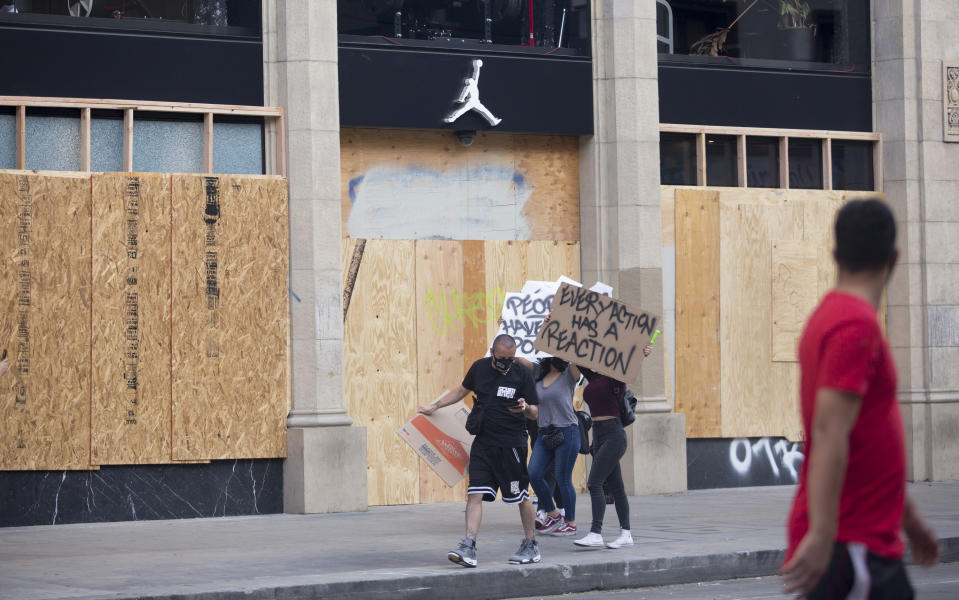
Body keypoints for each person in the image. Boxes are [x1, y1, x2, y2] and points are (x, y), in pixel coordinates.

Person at [781, 198, 939, 598]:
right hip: (851, 541)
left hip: (858, 537)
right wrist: (822, 533)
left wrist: (911, 520)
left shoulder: (833, 316)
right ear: (895, 258)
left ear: (836, 254)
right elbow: (831, 431)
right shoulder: (855, 324)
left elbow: (870, 438)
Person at [418, 334, 541, 567]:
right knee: (475, 494)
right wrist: (435, 406)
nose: (507, 362)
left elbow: (535, 412)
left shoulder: (521, 374)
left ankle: (530, 543)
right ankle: (468, 545)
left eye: (511, 358)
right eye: (503, 358)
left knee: (521, 496)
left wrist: (525, 408)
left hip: (511, 444)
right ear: (492, 352)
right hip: (483, 442)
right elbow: (460, 391)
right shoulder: (480, 368)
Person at [574, 344, 652, 549]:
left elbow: (631, 365)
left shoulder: (614, 378)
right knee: (617, 486)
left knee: (594, 482)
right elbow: (571, 353)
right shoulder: (594, 376)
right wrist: (549, 323)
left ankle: (596, 532)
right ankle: (626, 534)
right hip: (598, 434)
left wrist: (641, 354)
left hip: (614, 435)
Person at [522, 355, 582, 537]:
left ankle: (570, 522)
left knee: (562, 478)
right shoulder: (539, 374)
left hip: (567, 431)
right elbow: (517, 358)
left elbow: (580, 356)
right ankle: (553, 514)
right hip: (544, 433)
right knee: (533, 473)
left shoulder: (569, 374)